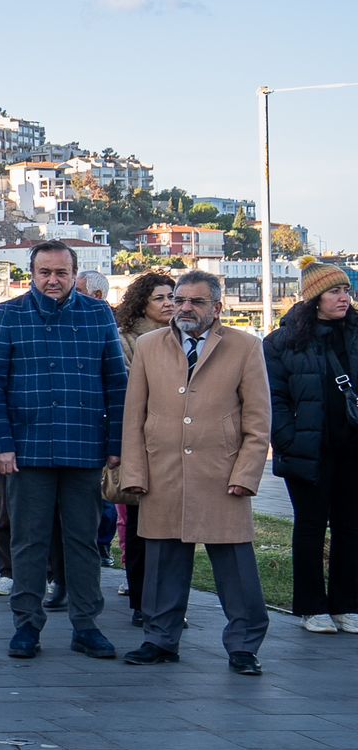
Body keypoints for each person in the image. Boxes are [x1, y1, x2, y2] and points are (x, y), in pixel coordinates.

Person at [0, 240, 129, 661]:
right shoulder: (8, 315)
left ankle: (86, 625)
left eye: (61, 273)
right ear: (32, 274)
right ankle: (26, 624)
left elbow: (117, 384)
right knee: (28, 541)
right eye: (45, 272)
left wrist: (115, 446)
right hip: (26, 451)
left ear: (74, 274)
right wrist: (1, 446)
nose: (53, 280)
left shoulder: (99, 315)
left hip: (84, 447)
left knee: (83, 542)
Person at [117, 271, 272, 673]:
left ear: (217, 308)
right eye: (179, 299)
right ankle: (160, 639)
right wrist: (134, 473)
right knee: (163, 562)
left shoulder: (245, 347)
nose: (183, 307)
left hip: (222, 476)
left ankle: (244, 646)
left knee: (236, 565)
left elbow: (258, 421)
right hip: (163, 473)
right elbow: (133, 417)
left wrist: (246, 474)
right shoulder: (150, 346)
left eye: (196, 302)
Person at [265, 260, 358, 634]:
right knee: (310, 526)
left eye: (346, 290)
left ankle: (347, 604)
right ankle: (310, 606)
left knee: (351, 528)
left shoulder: (355, 332)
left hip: (352, 448)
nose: (344, 298)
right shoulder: (283, 341)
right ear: (314, 297)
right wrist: (288, 440)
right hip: (309, 449)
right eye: (335, 291)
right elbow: (273, 399)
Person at [111, 272, 177, 619]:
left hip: (179, 448)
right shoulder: (125, 341)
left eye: (172, 297)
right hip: (141, 443)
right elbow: (128, 390)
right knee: (138, 527)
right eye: (160, 298)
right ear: (142, 303)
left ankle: (170, 602)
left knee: (174, 531)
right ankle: (140, 601)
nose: (169, 304)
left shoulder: (185, 338)